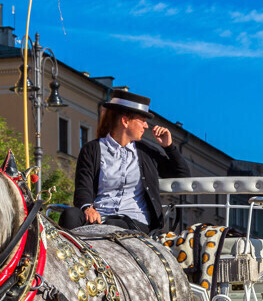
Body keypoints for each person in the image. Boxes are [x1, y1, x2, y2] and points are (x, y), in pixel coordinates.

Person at [60, 91, 191, 233]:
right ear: (125, 121)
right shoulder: (92, 149)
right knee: (70, 215)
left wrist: (169, 146)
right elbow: (83, 185)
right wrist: (87, 208)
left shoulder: (146, 152)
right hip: (100, 216)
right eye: (142, 120)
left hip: (134, 221)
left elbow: (182, 174)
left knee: (113, 224)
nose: (146, 126)